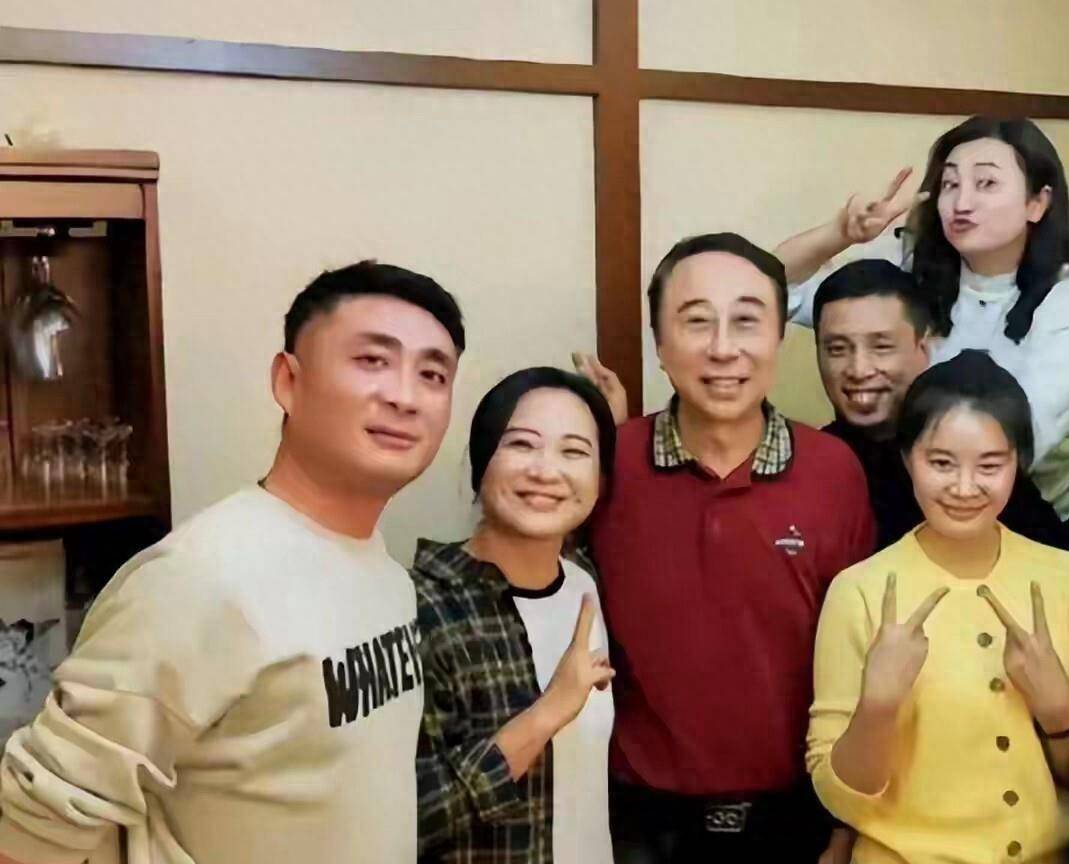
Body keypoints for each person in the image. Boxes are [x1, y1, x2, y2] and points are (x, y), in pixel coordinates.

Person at [0, 261, 465, 864]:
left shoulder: (388, 575)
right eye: (372, 360)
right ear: (288, 381)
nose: (404, 396)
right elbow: (33, 829)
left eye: (432, 374)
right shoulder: (199, 579)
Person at [577, 232, 875, 862]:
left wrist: (848, 824)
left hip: (797, 821)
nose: (722, 348)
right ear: (660, 344)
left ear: (778, 337)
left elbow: (860, 656)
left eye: (746, 321)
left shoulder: (834, 471)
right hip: (636, 825)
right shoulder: (607, 466)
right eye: (695, 322)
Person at [808, 350, 1069, 864]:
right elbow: (841, 799)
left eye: (990, 465)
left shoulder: (1062, 577)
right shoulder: (859, 591)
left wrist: (1059, 712)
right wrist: (878, 706)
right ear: (908, 458)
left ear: (1018, 463)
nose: (965, 488)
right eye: (941, 463)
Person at [776, 116, 1069, 516]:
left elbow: (1019, 441)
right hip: (905, 489)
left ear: (1037, 203)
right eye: (950, 184)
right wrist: (840, 234)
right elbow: (771, 292)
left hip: (1020, 509)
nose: (961, 203)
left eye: (986, 183)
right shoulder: (911, 262)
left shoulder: (1061, 299)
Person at [414, 367, 617, 864]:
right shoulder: (423, 606)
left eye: (574, 451)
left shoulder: (584, 582)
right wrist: (548, 712)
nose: (546, 471)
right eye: (522, 444)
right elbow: (406, 818)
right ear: (482, 462)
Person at [813, 258, 1069, 551]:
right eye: (837, 349)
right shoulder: (812, 467)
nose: (859, 370)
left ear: (924, 347)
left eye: (881, 347)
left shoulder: (970, 444)